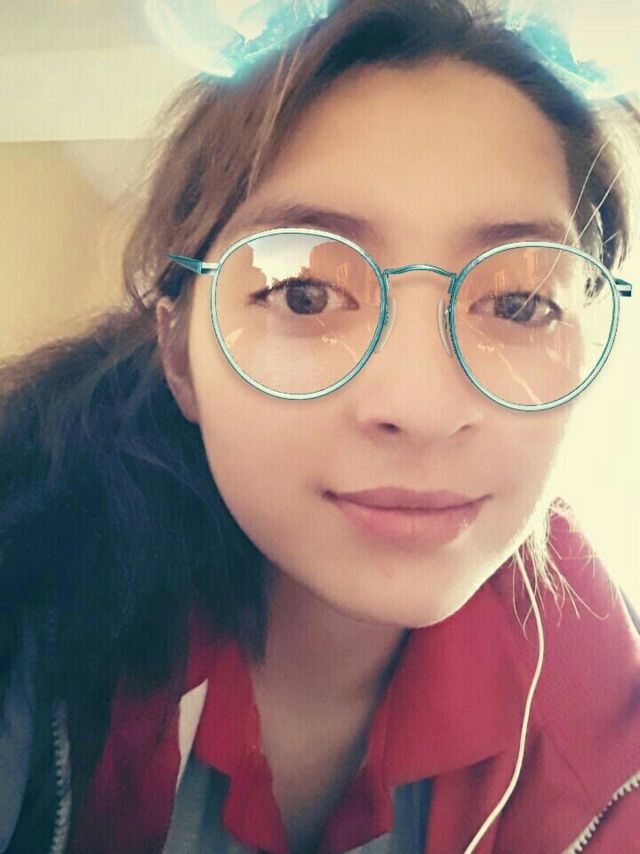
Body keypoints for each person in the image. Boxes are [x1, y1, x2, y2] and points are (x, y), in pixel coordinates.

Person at [1, 0, 639, 852]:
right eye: (304, 293)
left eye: (521, 302)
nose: (422, 407)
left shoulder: (606, 710)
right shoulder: (27, 599)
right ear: (180, 355)